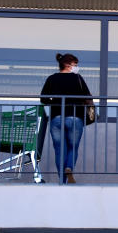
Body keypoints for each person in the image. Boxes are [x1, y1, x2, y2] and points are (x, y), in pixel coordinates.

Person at [39, 53, 93, 184]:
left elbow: (43, 99)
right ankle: (69, 167)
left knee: (59, 150)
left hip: (56, 118)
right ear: (68, 65)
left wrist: (55, 102)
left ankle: (62, 181)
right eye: (75, 64)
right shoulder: (77, 78)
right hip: (75, 117)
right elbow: (88, 97)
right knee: (73, 148)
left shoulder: (51, 79)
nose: (77, 67)